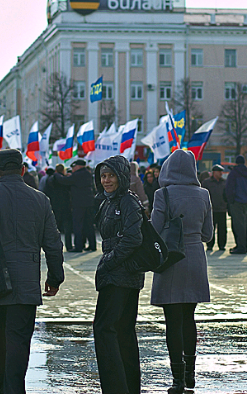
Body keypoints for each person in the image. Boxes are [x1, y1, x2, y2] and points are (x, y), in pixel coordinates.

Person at [0, 149, 63, 394]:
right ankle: (15, 388)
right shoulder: (40, 199)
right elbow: (53, 243)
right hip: (27, 283)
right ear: (22, 170)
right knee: (19, 343)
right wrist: (54, 277)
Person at [150, 150, 212, 393]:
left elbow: (155, 229)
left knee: (172, 321)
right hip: (196, 258)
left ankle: (176, 378)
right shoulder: (204, 194)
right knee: (189, 318)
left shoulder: (162, 193)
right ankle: (190, 375)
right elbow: (208, 235)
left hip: (171, 258)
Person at [93, 155, 144, 394]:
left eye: (111, 175)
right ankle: (127, 387)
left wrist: (109, 261)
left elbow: (134, 238)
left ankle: (116, 388)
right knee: (122, 330)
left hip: (121, 273)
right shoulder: (107, 201)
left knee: (105, 329)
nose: (106, 180)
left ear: (121, 177)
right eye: (103, 176)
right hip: (119, 273)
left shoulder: (128, 201)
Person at [56, 158, 96, 252]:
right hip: (89, 202)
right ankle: (92, 245)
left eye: (73, 167)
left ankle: (78, 246)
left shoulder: (78, 174)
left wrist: (57, 174)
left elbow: (64, 181)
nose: (73, 169)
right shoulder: (87, 173)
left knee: (78, 225)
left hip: (79, 203)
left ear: (78, 166)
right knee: (89, 225)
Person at [225, 156, 247, 255]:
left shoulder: (234, 173)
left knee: (237, 225)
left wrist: (230, 200)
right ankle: (244, 244)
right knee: (243, 224)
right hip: (245, 202)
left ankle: (241, 246)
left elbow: (229, 188)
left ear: (236, 163)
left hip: (236, 202)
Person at [44, 164, 73, 251]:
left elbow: (46, 192)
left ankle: (53, 246)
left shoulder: (50, 179)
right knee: (67, 227)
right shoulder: (65, 180)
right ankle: (69, 246)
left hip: (54, 205)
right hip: (65, 205)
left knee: (54, 228)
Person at [203, 165, 227, 251]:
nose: (221, 173)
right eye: (219, 172)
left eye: (221, 171)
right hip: (211, 209)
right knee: (210, 228)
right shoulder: (207, 182)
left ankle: (222, 245)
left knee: (222, 229)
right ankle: (210, 244)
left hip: (222, 209)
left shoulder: (224, 182)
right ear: (214, 172)